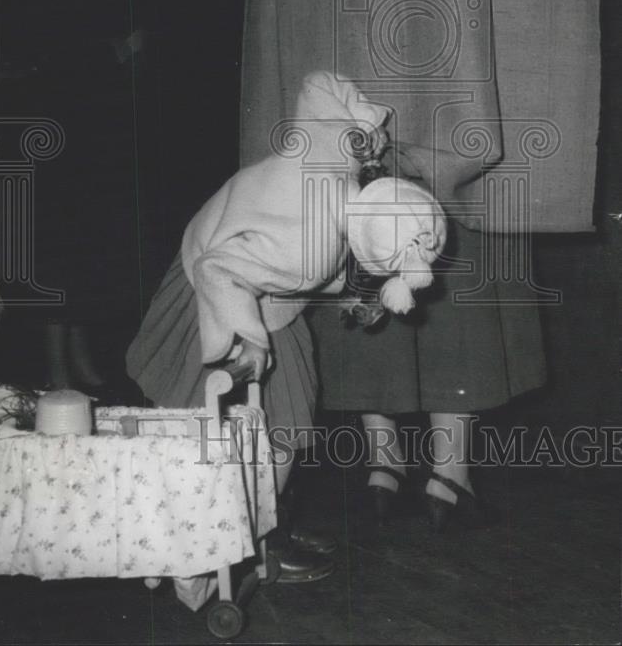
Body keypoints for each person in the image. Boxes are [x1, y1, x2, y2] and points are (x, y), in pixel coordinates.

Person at [125, 71, 445, 579]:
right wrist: (249, 339)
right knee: (213, 438)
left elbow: (320, 85)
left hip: (264, 291)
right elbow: (225, 268)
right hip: (214, 291)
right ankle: (220, 548)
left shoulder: (337, 160)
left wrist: (360, 124)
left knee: (285, 427)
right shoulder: (312, 239)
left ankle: (258, 529)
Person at [313, 137, 547, 533]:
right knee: (456, 290)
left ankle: (383, 468)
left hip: (357, 148)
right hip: (451, 148)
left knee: (368, 265)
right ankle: (448, 478)